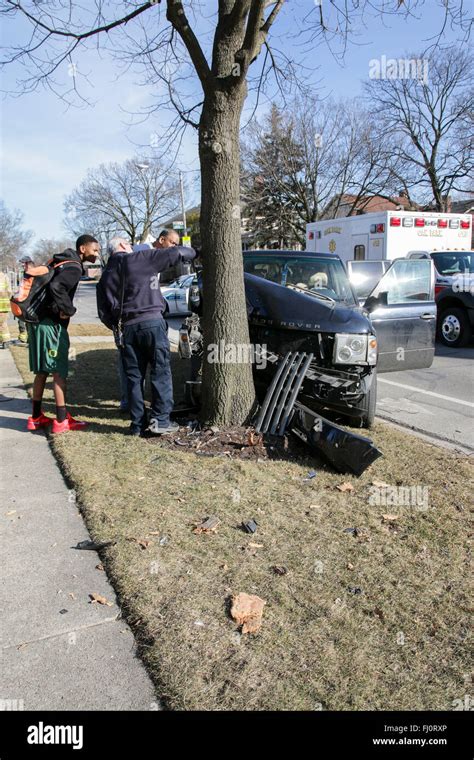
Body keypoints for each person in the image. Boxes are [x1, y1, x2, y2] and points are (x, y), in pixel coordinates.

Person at [97, 236, 197, 436]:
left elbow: (103, 313)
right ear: (124, 246)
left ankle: (137, 424)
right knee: (160, 370)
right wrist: (195, 252)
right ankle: (160, 419)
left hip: (125, 329)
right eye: (129, 243)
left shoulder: (105, 275)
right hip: (151, 321)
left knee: (134, 377)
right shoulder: (141, 258)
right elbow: (177, 253)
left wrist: (118, 326)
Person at [27, 234, 100, 433]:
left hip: (38, 322)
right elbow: (56, 286)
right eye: (95, 250)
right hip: (52, 326)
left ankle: (35, 417)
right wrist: (68, 310)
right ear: (83, 248)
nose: (97, 254)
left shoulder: (61, 262)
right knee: (59, 372)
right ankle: (61, 421)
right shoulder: (75, 267)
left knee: (42, 371)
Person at [16, 256, 34, 345]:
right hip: (22, 301)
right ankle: (23, 338)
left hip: (29, 302)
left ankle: (30, 339)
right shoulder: (24, 274)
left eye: (24, 263)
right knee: (21, 320)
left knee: (29, 322)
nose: (22, 265)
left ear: (28, 264)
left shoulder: (33, 273)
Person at [0, 270, 13, 348]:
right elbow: (9, 291)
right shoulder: (5, 277)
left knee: (2, 324)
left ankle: (5, 340)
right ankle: (5, 341)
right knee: (3, 323)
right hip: (4, 305)